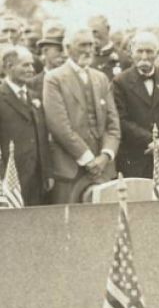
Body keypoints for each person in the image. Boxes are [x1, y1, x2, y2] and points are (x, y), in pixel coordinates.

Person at [43, 26, 121, 204]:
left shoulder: (100, 78)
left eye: (91, 45)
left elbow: (113, 124)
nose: (88, 50)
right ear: (68, 48)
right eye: (82, 45)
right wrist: (87, 158)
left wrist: (106, 155)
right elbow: (59, 126)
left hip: (103, 170)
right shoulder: (54, 79)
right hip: (71, 169)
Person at [112, 32, 159, 192]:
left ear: (157, 53)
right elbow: (121, 120)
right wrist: (152, 141)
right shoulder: (120, 82)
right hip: (136, 156)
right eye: (139, 51)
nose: (144, 56)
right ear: (131, 53)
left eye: (149, 51)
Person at [0, 46, 52, 205]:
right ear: (9, 67)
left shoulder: (35, 97)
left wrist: (47, 173)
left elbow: (43, 139)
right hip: (11, 180)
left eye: (32, 65)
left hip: (37, 178)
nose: (31, 69)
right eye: (25, 65)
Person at [28, 20, 67, 95]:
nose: (64, 54)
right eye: (59, 50)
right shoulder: (32, 84)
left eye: (66, 50)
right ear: (45, 51)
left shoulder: (74, 80)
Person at [88, 15, 132, 80]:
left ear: (107, 29)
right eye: (89, 33)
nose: (92, 36)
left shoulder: (123, 58)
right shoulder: (88, 58)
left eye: (95, 32)